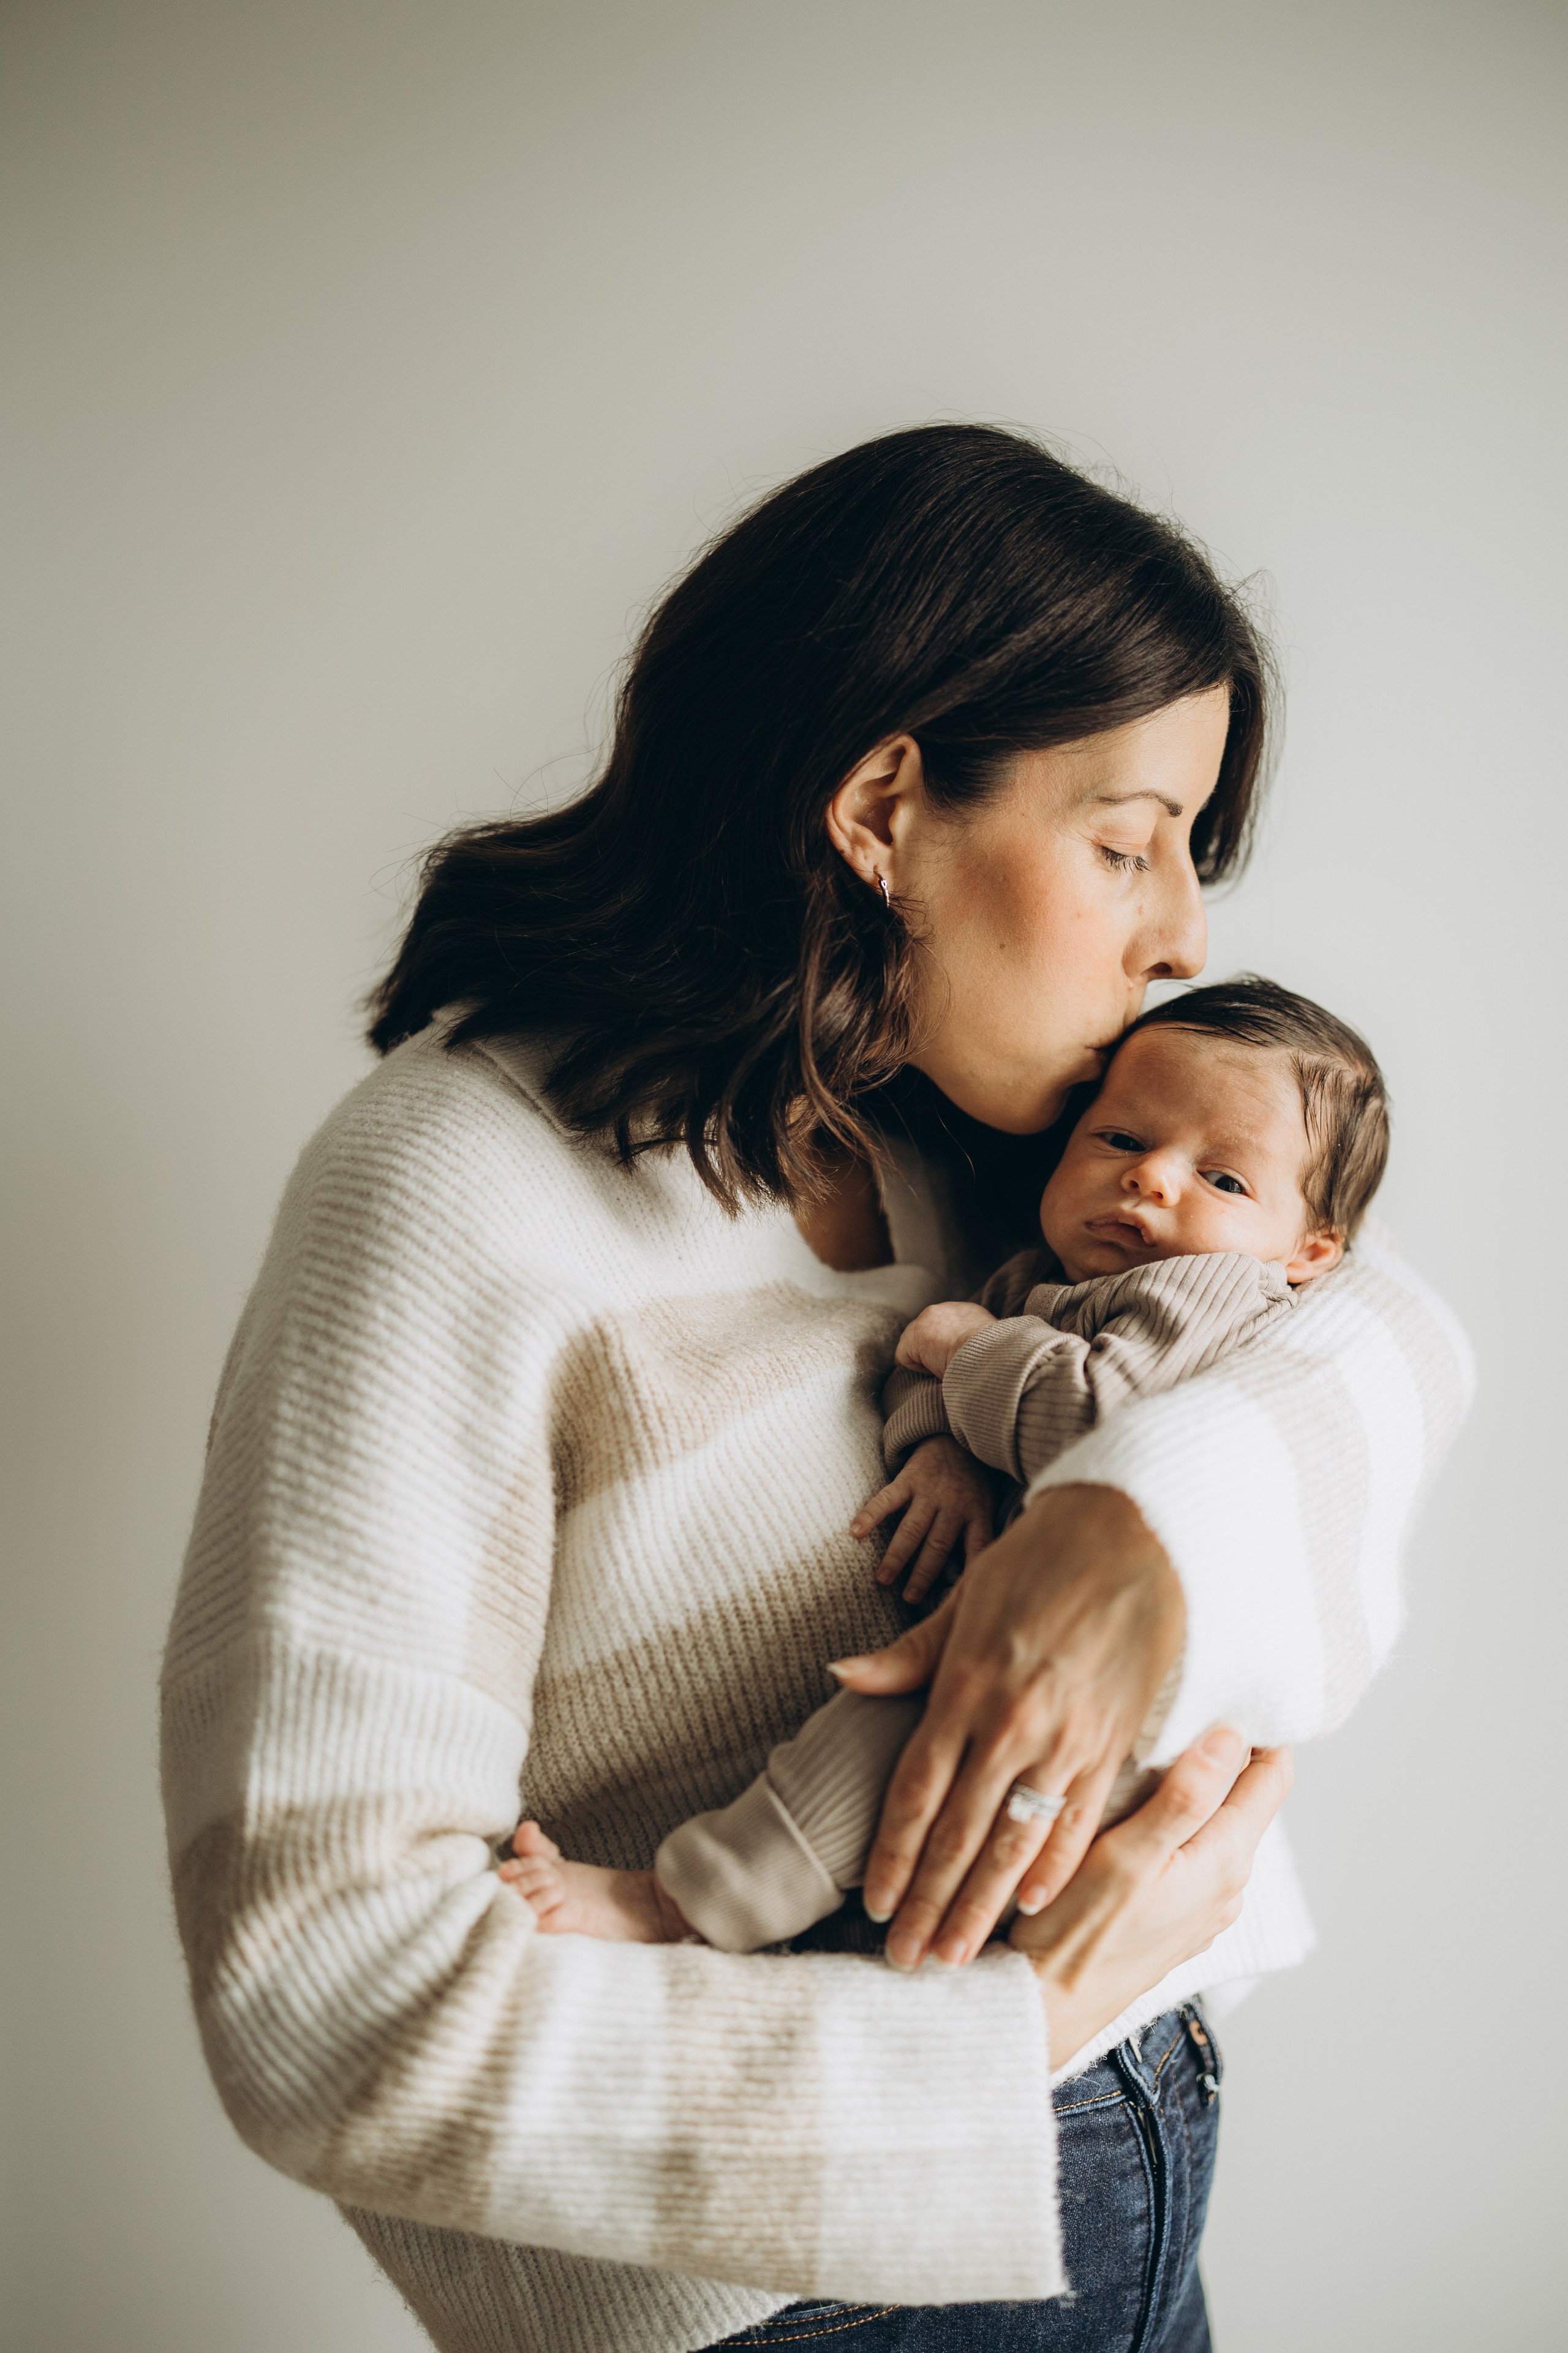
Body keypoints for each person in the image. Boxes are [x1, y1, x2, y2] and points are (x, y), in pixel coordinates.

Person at [160, 426, 1471, 2353]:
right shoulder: (453, 1191)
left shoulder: (964, 1145)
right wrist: (995, 2037)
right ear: (882, 807)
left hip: (1142, 2166)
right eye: (1126, 843)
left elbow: (1376, 1323)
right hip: (806, 2302)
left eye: (1193, 855)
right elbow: (327, 1990)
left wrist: (1139, 1529)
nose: (1184, 933)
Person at [498, 975, 1390, 1964]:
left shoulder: (1217, 1292)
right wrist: (940, 1451)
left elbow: (1097, 1420)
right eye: (1123, 1140)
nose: (1154, 1180)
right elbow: (919, 1374)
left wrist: (967, 1351)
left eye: (1224, 1180)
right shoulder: (1037, 1280)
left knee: (888, 1735)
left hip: (1113, 1721)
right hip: (1027, 1681)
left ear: (1310, 1251)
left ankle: (679, 1902)